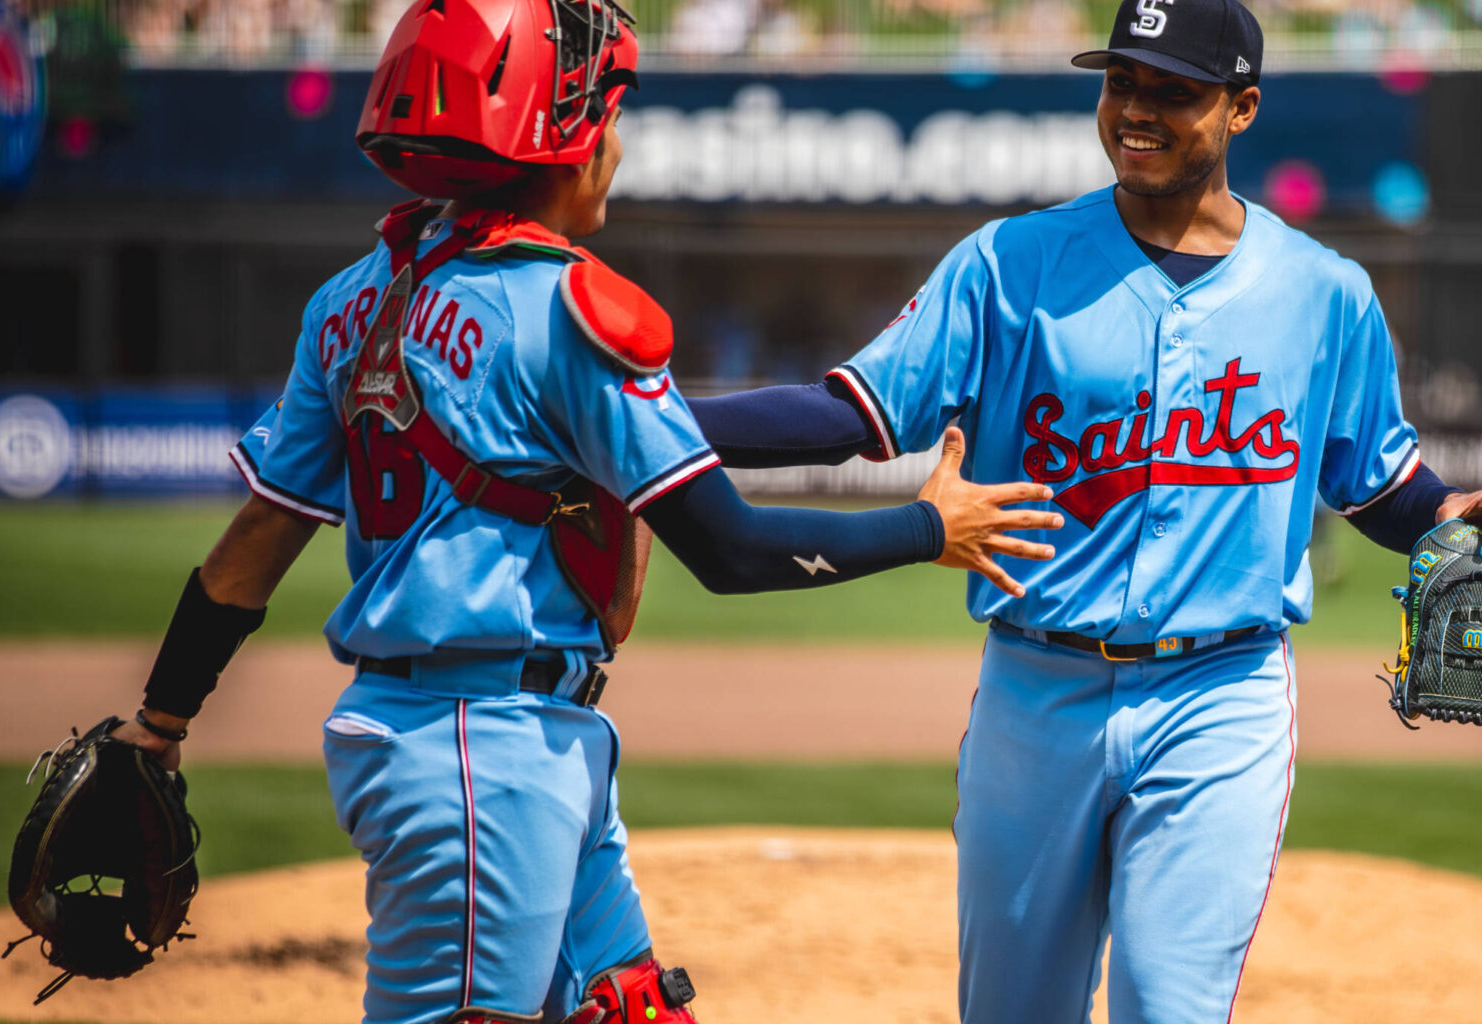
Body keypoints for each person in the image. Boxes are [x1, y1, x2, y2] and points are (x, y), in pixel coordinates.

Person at [103, 0, 1059, 1021]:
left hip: (497, 737)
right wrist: (929, 527)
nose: (616, 141)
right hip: (485, 755)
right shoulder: (566, 308)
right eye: (606, 113)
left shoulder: (353, 297)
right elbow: (731, 547)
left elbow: (254, 541)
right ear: (561, 135)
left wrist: (159, 722)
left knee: (630, 1005)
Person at [686, 0, 1482, 1020]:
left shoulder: (1325, 293)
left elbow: (1381, 487)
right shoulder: (1009, 264)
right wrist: (649, 418)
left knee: (1169, 1005)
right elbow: (844, 414)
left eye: (1172, 90)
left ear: (1243, 108)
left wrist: (1454, 513)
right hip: (1034, 693)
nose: (1137, 108)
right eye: (1122, 80)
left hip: (1221, 697)